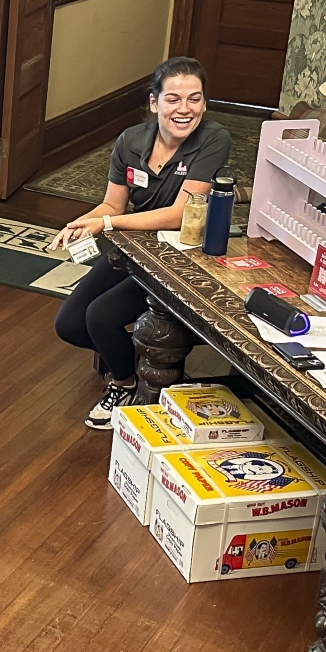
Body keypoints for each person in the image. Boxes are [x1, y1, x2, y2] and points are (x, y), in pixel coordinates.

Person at [50, 58, 232, 429]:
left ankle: (124, 384)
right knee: (69, 324)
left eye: (195, 99)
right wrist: (83, 222)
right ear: (154, 102)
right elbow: (112, 205)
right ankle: (143, 364)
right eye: (173, 99)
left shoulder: (214, 139)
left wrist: (107, 224)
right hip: (134, 249)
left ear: (204, 103)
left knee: (101, 317)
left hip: (180, 255)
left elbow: (180, 214)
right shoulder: (130, 142)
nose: (185, 109)